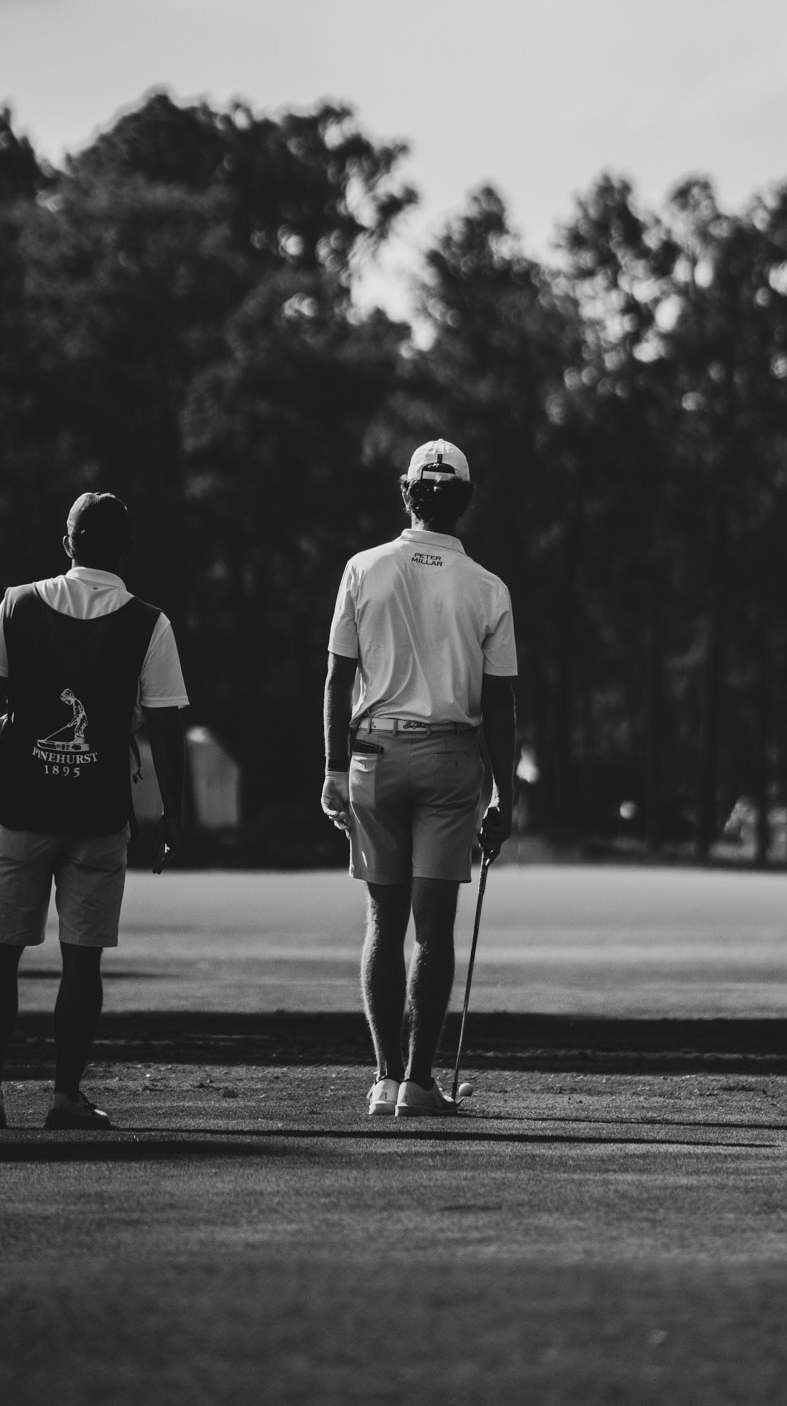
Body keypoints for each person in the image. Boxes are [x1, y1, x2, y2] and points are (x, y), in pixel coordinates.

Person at [0, 492, 188, 1132]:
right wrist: (172, 815)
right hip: (100, 814)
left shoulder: (18, 603)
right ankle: (67, 1097)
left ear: (68, 542)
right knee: (83, 960)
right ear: (125, 550)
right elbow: (164, 729)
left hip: (22, 806)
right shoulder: (149, 622)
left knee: (0, 952)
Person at [321, 440, 517, 1118]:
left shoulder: (361, 568)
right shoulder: (488, 587)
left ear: (406, 493)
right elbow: (500, 705)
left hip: (374, 756)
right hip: (451, 762)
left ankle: (382, 1079)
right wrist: (507, 794)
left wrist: (333, 769)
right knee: (433, 931)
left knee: (383, 917)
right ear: (464, 500)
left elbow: (338, 677)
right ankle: (418, 1082)